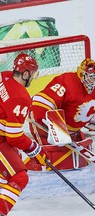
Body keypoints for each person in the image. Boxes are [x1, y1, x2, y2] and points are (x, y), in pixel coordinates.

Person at [27, 58, 95, 171]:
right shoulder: (66, 82)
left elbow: (80, 110)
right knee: (50, 157)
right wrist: (53, 125)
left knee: (68, 150)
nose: (92, 81)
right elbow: (39, 102)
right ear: (81, 74)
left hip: (69, 130)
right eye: (89, 77)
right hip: (41, 121)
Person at [0, 53, 47, 215]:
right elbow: (13, 136)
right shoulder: (21, 97)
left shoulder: (4, 76)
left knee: (8, 170)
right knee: (19, 177)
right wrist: (35, 149)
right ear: (26, 74)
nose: (32, 78)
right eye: (32, 74)